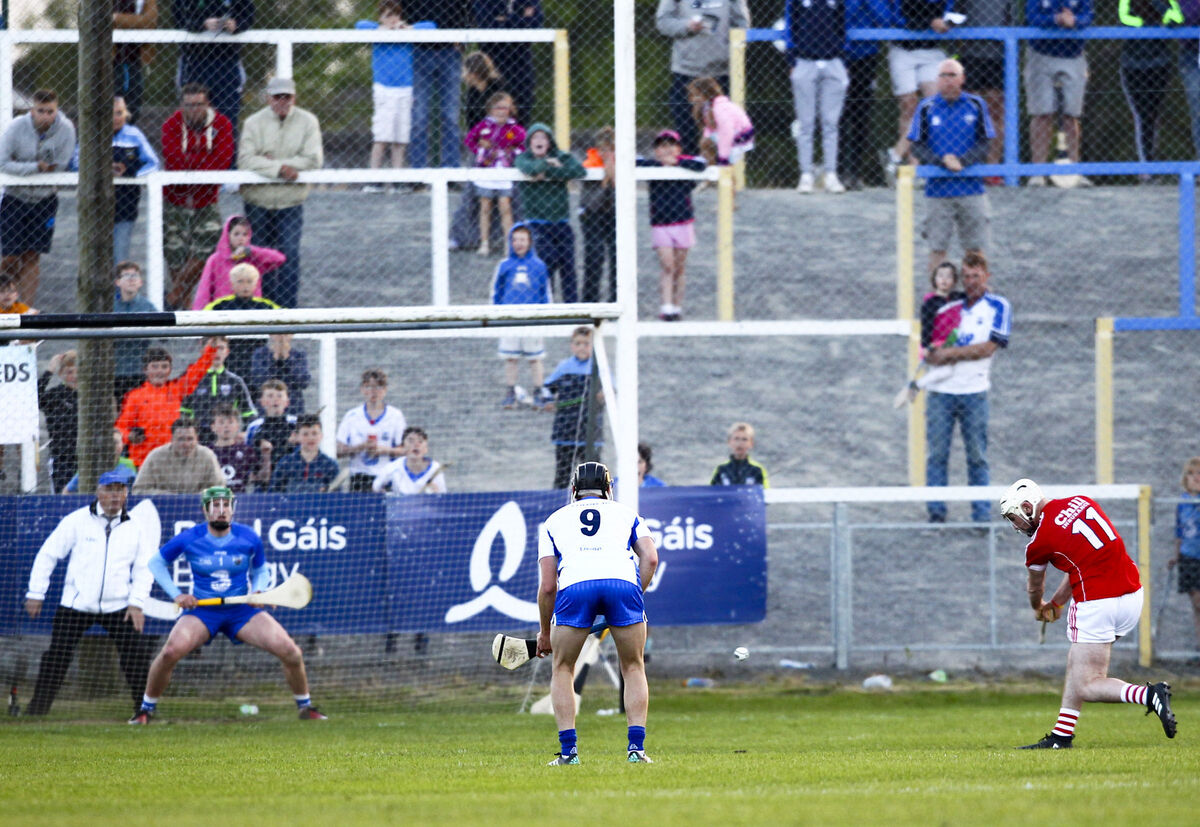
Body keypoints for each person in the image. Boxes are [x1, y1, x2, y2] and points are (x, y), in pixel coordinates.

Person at [999, 478, 1177, 748]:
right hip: (1131, 597)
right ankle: (1061, 736)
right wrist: (1057, 604)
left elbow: (1035, 587)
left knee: (1088, 684)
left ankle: (1149, 694)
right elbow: (1080, 563)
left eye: (1014, 518)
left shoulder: (1038, 543)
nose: (1015, 526)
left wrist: (1039, 607)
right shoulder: (1082, 501)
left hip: (1097, 604)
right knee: (1078, 664)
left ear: (1027, 506)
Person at [130, 485, 328, 723]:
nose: (221, 511)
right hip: (203, 611)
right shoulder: (190, 537)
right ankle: (145, 710)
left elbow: (260, 570)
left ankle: (305, 708)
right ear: (206, 510)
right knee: (171, 652)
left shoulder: (248, 537)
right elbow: (156, 563)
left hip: (241, 611)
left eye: (226, 505)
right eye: (216, 505)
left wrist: (258, 590)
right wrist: (176, 594)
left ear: (233, 509)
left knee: (291, 652)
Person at [536, 461, 659, 765]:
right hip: (623, 585)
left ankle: (569, 753)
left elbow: (549, 586)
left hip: (575, 587)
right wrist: (633, 593)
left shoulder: (553, 521)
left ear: (574, 490)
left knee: (563, 667)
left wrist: (545, 632)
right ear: (608, 490)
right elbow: (651, 559)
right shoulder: (627, 514)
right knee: (633, 666)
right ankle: (636, 750)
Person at [23, 472, 156, 716]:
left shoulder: (137, 526)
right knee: (56, 657)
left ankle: (144, 712)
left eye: (120, 489)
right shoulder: (76, 520)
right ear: (98, 492)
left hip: (119, 606)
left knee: (136, 657)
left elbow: (144, 568)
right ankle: (36, 712)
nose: (115, 495)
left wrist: (136, 603)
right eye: (110, 489)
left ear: (126, 493)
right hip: (75, 605)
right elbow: (47, 554)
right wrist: (36, 592)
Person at [922, 251, 1010, 523]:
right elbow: (928, 339)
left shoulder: (998, 306)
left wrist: (947, 355)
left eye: (976, 276)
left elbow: (988, 348)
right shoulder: (949, 305)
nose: (971, 281)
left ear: (986, 276)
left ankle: (981, 514)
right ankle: (936, 513)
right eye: (967, 276)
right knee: (937, 455)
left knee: (977, 455)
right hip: (940, 392)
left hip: (974, 393)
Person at [238, 77, 324, 309]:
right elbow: (245, 159)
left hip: (290, 201)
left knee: (289, 257)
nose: (282, 101)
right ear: (268, 98)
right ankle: (261, 307)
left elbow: (314, 159)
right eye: (277, 96)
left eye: (287, 96)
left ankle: (286, 313)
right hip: (258, 201)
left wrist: (269, 163)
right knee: (258, 257)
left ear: (294, 97)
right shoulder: (253, 123)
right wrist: (282, 169)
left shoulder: (308, 121)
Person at [907, 59, 995, 276]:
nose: (947, 80)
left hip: (971, 189)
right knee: (937, 249)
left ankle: (977, 295)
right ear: (937, 80)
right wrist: (941, 160)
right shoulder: (927, 106)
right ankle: (936, 300)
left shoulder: (976, 105)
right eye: (943, 76)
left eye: (952, 75)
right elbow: (917, 145)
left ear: (962, 79)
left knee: (975, 249)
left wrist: (963, 161)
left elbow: (986, 143)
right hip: (937, 191)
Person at [161, 83, 235, 310]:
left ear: (208, 104)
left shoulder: (222, 124)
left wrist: (193, 167)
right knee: (174, 252)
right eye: (188, 105)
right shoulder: (171, 124)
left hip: (206, 199)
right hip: (175, 198)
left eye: (199, 104)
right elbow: (173, 162)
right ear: (181, 105)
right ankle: (186, 307)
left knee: (208, 245)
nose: (193, 109)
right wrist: (204, 163)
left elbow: (223, 161)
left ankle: (174, 296)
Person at [0, 89, 76, 305]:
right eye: (40, 111)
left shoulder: (67, 129)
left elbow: (60, 165)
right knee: (11, 256)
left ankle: (26, 310)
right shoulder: (16, 127)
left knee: (33, 256)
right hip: (16, 198)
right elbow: (3, 162)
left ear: (56, 109)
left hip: (45, 199)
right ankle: (6, 302)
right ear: (32, 110)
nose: (45, 116)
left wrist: (34, 168)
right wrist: (35, 167)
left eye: (50, 111)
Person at [655, 0, 751, 156]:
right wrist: (687, 26)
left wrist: (725, 49)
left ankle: (723, 175)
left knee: (725, 131)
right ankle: (692, 176)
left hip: (722, 73)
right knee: (687, 132)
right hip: (686, 72)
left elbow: (742, 26)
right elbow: (663, 22)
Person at [636, 130, 707, 321]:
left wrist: (677, 162)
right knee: (668, 265)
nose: (666, 149)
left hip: (683, 222)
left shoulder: (686, 165)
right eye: (662, 146)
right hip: (661, 224)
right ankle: (666, 306)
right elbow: (634, 160)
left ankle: (677, 306)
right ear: (656, 150)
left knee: (680, 268)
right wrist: (661, 163)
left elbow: (702, 163)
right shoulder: (652, 166)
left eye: (671, 145)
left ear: (678, 148)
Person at [881, 0, 953, 184]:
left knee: (933, 106)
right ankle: (908, 162)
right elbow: (893, 17)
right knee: (909, 106)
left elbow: (954, 12)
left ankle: (903, 159)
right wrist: (927, 22)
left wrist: (948, 23)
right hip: (902, 48)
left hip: (932, 49)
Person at [1024, 0, 1093, 188]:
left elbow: (1088, 16)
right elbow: (1031, 16)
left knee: (1072, 115)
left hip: (1073, 54)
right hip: (1041, 54)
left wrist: (1074, 21)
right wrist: (1056, 19)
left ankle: (1075, 171)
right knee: (1042, 113)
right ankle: (1037, 173)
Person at [514, 123, 586, 303]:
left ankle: (572, 308)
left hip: (561, 222)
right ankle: (546, 304)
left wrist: (551, 171)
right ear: (529, 142)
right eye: (535, 137)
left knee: (568, 266)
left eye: (543, 137)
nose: (539, 141)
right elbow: (529, 169)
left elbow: (578, 170)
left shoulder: (560, 156)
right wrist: (546, 164)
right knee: (547, 261)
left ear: (549, 141)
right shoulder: (523, 158)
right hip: (537, 223)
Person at [116, 339, 217, 468]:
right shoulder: (135, 397)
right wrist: (130, 436)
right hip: (142, 462)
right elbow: (120, 428)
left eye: (164, 366)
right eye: (155, 366)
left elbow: (196, 372)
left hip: (172, 461)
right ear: (145, 370)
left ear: (170, 370)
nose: (160, 371)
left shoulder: (176, 390)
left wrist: (211, 350)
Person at [356, 1, 424, 185]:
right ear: (380, 18)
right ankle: (374, 180)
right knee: (382, 136)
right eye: (387, 15)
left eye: (394, 15)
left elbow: (431, 26)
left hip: (405, 89)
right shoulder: (377, 32)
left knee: (400, 138)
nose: (392, 19)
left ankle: (397, 179)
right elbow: (359, 25)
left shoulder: (406, 32)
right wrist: (382, 29)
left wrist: (407, 29)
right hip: (384, 89)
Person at [450, 51, 510, 252]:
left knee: (506, 197)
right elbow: (470, 122)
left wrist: (494, 138)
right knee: (471, 194)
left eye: (466, 70)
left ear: (475, 72)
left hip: (501, 148)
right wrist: (479, 142)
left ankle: (507, 237)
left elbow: (506, 116)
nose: (463, 74)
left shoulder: (498, 88)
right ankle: (461, 237)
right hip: (480, 149)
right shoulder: (472, 92)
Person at [786, 0, 848, 193]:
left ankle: (831, 173)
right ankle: (806, 174)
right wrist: (792, 60)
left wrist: (843, 58)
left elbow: (843, 26)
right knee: (806, 123)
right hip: (805, 61)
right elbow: (790, 27)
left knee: (831, 122)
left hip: (833, 61)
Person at [1119, 0, 1179, 183]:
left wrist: (1158, 5)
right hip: (1132, 65)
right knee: (1141, 115)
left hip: (1159, 64)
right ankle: (1145, 167)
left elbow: (1175, 18)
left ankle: (1151, 162)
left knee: (1153, 115)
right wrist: (1149, 23)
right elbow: (1124, 18)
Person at [493, 223, 551, 408]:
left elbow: (545, 292)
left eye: (523, 240)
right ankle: (510, 391)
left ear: (530, 242)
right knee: (511, 358)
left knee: (535, 358)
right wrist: (496, 313)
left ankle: (538, 390)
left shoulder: (539, 266)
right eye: (515, 239)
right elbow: (496, 292)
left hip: (532, 320)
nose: (519, 243)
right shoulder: (504, 266)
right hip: (510, 320)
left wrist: (545, 315)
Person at [174, 0, 255, 132]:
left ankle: (227, 152)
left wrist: (236, 25)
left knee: (227, 120)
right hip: (194, 61)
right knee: (192, 120)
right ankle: (192, 152)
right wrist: (202, 24)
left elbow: (249, 15)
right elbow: (178, 18)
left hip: (227, 61)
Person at [405, 0, 468, 169]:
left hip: (450, 52)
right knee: (419, 116)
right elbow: (401, 11)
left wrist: (462, 40)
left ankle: (451, 168)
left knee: (450, 116)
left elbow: (469, 10)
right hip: (420, 51)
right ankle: (418, 171)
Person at [894, 260, 966, 406]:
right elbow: (926, 326)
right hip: (935, 344)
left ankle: (918, 388)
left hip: (952, 342)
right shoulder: (930, 303)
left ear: (954, 281)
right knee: (945, 372)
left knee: (947, 375)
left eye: (949, 276)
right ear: (934, 279)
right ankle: (916, 386)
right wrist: (927, 346)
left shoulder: (958, 298)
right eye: (940, 276)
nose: (944, 280)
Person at [956, 0, 1012, 183]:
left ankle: (992, 168)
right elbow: (956, 15)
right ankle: (970, 166)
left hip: (997, 55)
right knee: (969, 111)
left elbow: (1011, 20)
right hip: (971, 55)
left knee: (996, 110)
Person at [464, 92, 525, 256]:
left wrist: (513, 153)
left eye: (505, 108)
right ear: (490, 109)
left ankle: (508, 243)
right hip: (486, 171)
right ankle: (484, 243)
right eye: (497, 108)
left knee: (505, 207)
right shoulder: (483, 126)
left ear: (510, 110)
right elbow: (469, 140)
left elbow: (523, 145)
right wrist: (481, 151)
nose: (501, 111)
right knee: (485, 207)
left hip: (504, 172)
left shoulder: (515, 128)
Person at [839, 0, 890, 190]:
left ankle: (856, 173)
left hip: (867, 58)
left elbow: (885, 20)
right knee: (840, 116)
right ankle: (839, 172)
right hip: (840, 56)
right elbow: (840, 19)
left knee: (862, 116)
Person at [542, 327, 602, 489]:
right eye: (578, 343)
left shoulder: (599, 367)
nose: (582, 347)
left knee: (592, 477)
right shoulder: (564, 367)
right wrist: (547, 401)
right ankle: (558, 507)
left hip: (590, 433)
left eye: (586, 344)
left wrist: (603, 395)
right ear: (572, 346)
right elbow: (546, 387)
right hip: (564, 432)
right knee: (562, 476)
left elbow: (613, 389)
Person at [201, 263, 280, 380]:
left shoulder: (264, 306)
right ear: (232, 284)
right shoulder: (221, 305)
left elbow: (286, 317)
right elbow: (201, 319)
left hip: (257, 357)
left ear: (256, 284)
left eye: (249, 281)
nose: (245, 286)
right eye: (240, 281)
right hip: (230, 356)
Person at [190, 214, 286, 310]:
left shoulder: (253, 258)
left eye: (245, 234)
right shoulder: (215, 260)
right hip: (224, 310)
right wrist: (199, 314)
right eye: (236, 234)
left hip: (252, 308)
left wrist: (252, 251)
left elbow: (279, 259)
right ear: (227, 235)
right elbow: (204, 291)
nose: (241, 238)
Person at [472, 0, 542, 126]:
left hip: (521, 65)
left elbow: (535, 24)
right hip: (492, 65)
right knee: (486, 115)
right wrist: (520, 18)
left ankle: (518, 145)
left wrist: (505, 19)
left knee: (521, 115)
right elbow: (487, 25)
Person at [336, 368, 407, 492]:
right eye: (368, 387)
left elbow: (405, 450)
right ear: (362, 389)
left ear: (385, 390)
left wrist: (382, 450)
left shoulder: (395, 416)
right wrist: (361, 447)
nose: (373, 392)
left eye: (378, 387)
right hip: (360, 478)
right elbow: (338, 451)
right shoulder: (352, 416)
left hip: (386, 477)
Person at [109, 95, 159, 264]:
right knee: (95, 258)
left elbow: (153, 163)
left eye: (119, 113)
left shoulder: (134, 135)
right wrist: (103, 171)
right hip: (95, 206)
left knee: (120, 256)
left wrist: (131, 173)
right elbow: (77, 163)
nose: (115, 118)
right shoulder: (92, 134)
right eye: (110, 113)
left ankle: (118, 291)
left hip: (125, 206)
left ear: (126, 114)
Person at [180, 335, 257, 440]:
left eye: (221, 348)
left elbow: (249, 413)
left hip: (227, 440)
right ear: (202, 350)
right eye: (212, 347)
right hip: (198, 440)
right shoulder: (191, 379)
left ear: (227, 352)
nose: (216, 351)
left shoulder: (235, 381)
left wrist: (244, 433)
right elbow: (182, 412)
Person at [133, 417, 225, 494]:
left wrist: (195, 498)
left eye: (190, 439)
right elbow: (139, 489)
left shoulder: (207, 456)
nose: (186, 444)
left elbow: (219, 487)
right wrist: (170, 497)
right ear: (172, 439)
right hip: (163, 509)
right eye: (181, 439)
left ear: (197, 439)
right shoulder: (156, 457)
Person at [579, 127, 616, 304]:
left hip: (614, 215)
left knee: (618, 258)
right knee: (594, 256)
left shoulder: (622, 163)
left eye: (611, 149)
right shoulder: (590, 164)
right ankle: (590, 301)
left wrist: (613, 179)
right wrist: (605, 182)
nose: (607, 154)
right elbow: (592, 201)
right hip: (592, 215)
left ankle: (616, 299)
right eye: (603, 149)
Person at [113, 262, 158, 402]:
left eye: (134, 275)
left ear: (140, 282)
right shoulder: (109, 306)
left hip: (139, 371)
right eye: (126, 276)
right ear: (118, 282)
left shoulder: (148, 307)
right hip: (115, 372)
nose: (131, 279)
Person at [1169, 456, 1200, 662]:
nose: (1196, 478)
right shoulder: (1182, 502)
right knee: (1196, 604)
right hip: (1190, 558)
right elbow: (1179, 531)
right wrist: (1176, 555)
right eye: (1191, 473)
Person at [689, 76, 754, 171]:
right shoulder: (708, 107)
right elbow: (709, 128)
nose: (692, 99)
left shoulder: (720, 108)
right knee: (705, 143)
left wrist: (723, 157)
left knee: (730, 162)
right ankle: (710, 171)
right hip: (727, 135)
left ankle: (726, 175)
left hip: (741, 136)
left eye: (696, 95)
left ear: (705, 93)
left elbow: (727, 133)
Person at [38, 350, 79, 494]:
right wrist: (50, 370)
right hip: (62, 459)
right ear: (61, 374)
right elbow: (34, 398)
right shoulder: (55, 395)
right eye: (69, 372)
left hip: (86, 459)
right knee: (62, 499)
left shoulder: (91, 396)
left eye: (78, 372)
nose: (74, 376)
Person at [268, 414, 340, 493]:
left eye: (314, 433)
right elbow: (273, 493)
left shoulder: (330, 465)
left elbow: (337, 496)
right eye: (305, 434)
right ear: (297, 436)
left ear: (321, 435)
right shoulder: (286, 463)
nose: (311, 438)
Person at [114, 0, 158, 124]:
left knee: (134, 103)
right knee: (113, 100)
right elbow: (104, 20)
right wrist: (137, 21)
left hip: (136, 58)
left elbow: (149, 22)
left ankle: (127, 130)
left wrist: (118, 19)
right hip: (112, 59)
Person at [209, 403, 269, 492]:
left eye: (230, 422)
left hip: (242, 501)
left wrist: (266, 455)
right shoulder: (207, 452)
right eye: (221, 422)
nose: (226, 426)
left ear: (237, 426)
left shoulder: (247, 451)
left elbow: (262, 478)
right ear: (213, 427)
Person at [372, 425, 447, 494]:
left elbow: (444, 498)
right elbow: (376, 488)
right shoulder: (392, 468)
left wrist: (436, 493)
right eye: (411, 441)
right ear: (403, 447)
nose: (416, 445)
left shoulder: (435, 468)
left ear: (426, 449)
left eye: (420, 441)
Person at [63, 428, 137, 494]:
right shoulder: (91, 464)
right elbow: (67, 490)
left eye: (116, 442)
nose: (112, 445)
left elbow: (134, 489)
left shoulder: (128, 464)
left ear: (122, 445)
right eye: (110, 442)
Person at [249, 333, 309, 411]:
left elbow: (303, 382)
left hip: (294, 407)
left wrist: (287, 358)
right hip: (266, 409)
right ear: (271, 334)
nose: (282, 338)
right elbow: (258, 382)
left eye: (285, 334)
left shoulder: (299, 355)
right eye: (278, 334)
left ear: (292, 335)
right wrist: (274, 358)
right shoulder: (260, 354)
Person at [245, 379, 298, 457]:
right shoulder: (254, 427)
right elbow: (248, 455)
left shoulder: (296, 424)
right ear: (262, 402)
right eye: (270, 396)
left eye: (279, 396)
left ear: (287, 402)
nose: (275, 399)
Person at [711, 421, 768, 486]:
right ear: (729, 442)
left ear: (751, 443)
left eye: (744, 439)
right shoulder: (721, 469)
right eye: (736, 439)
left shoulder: (757, 469)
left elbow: (767, 493)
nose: (740, 443)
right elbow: (711, 493)